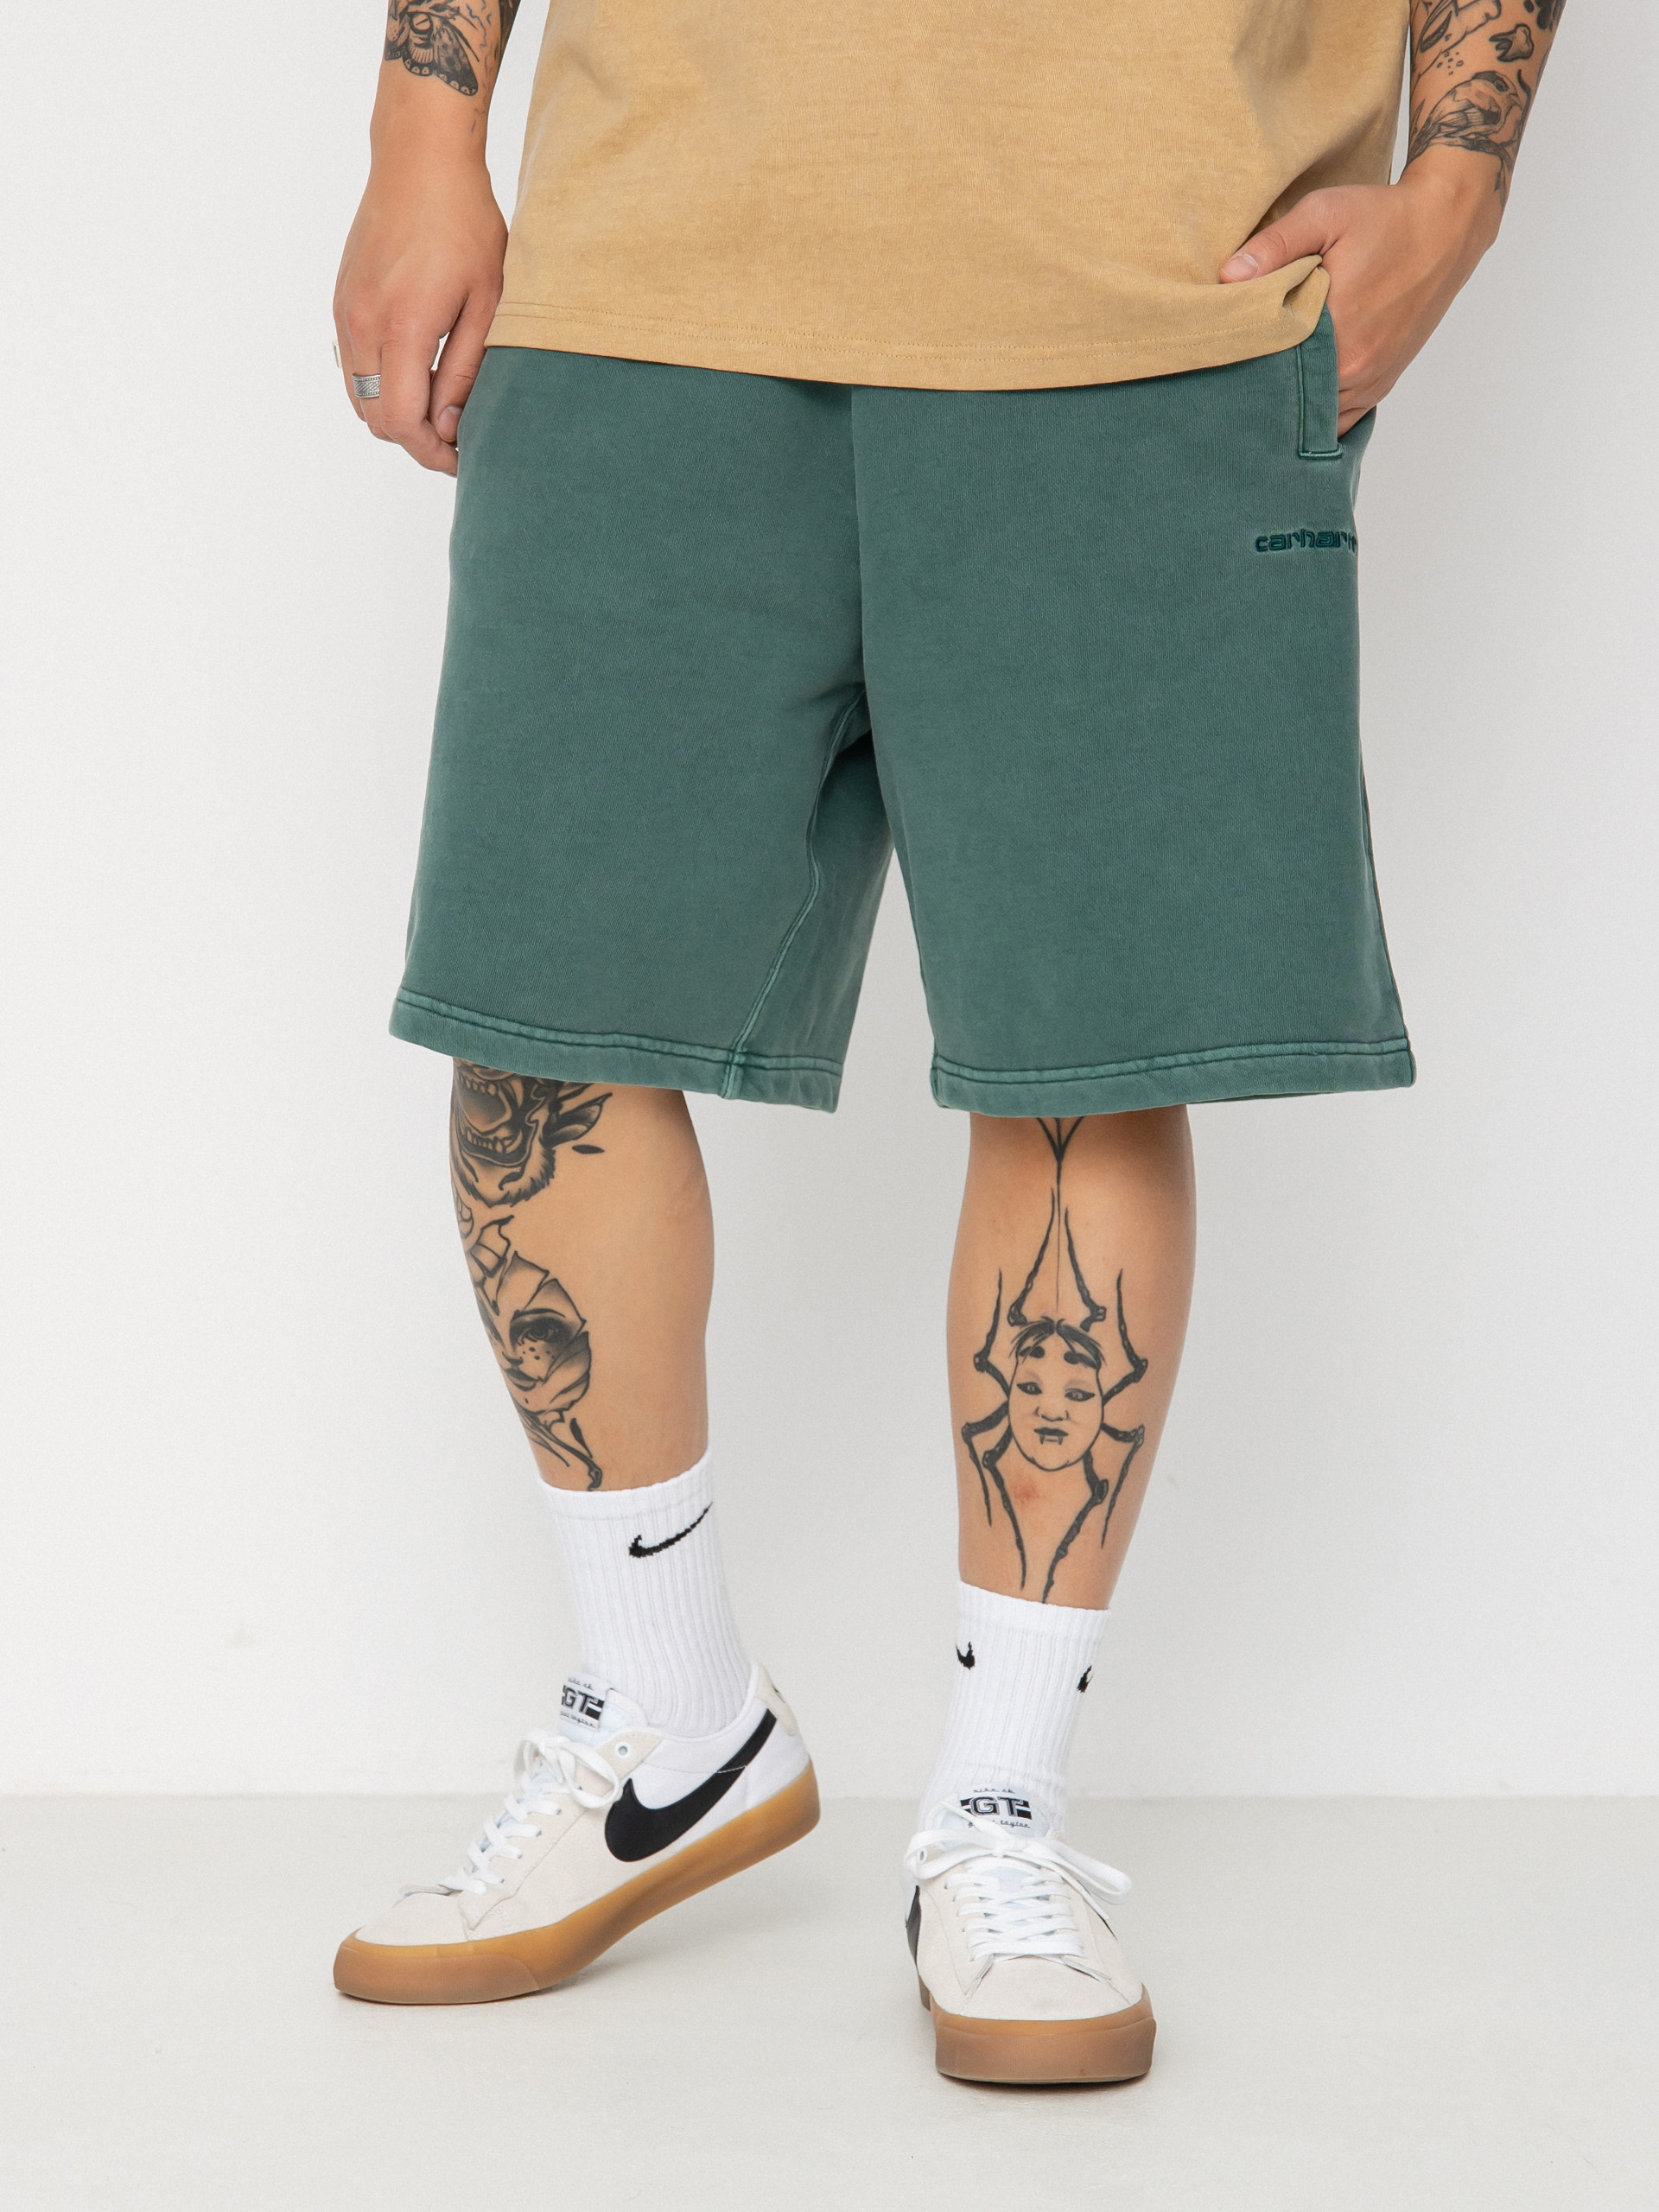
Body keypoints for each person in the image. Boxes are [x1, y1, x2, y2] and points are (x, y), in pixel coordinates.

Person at [329, 0, 1567, 2081]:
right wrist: (421, 128)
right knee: (538, 1009)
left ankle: (1001, 1807)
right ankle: (668, 1717)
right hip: (648, 264)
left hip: (1154, 283)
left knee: (1089, 1055)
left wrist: (1460, 190)